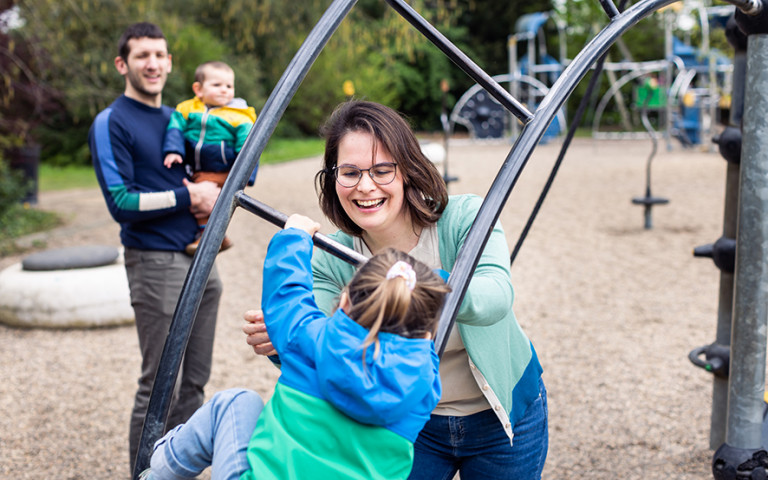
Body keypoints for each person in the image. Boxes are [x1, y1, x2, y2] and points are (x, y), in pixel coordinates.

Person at [244, 100, 548, 479]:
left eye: (382, 170)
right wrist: (277, 342)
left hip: (502, 413)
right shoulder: (332, 256)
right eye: (350, 172)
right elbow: (320, 354)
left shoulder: (463, 218)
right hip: (409, 423)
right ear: (333, 178)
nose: (365, 186)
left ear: (407, 170)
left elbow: (495, 296)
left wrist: (410, 285)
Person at [140, 213, 451, 480]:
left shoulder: (312, 339)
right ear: (428, 334)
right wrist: (430, 283)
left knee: (236, 402)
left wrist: (295, 236)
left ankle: (158, 471)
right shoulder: (424, 386)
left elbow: (286, 296)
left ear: (342, 301)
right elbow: (425, 338)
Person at [87, 22, 223, 474]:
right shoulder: (112, 122)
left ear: (169, 63)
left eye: (161, 55)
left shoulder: (179, 117)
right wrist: (191, 197)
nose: (153, 64)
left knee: (195, 383)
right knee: (160, 384)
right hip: (155, 263)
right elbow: (121, 202)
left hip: (202, 260)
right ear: (122, 64)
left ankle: (175, 469)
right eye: (143, 55)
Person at [162, 60, 257, 255]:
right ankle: (220, 238)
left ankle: (206, 239)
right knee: (204, 199)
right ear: (198, 89)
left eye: (229, 86)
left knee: (202, 198)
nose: (224, 90)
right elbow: (175, 129)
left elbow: (248, 148)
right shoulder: (188, 109)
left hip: (221, 170)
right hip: (198, 168)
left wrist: (247, 175)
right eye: (217, 85)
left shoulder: (239, 116)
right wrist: (174, 151)